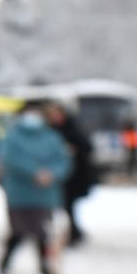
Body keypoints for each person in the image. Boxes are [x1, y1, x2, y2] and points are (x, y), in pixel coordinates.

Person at [0, 100, 73, 274]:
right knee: (18, 231)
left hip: (45, 195)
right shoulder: (12, 137)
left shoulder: (52, 137)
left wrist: (52, 173)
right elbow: (9, 159)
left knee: (44, 232)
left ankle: (44, 266)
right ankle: (5, 263)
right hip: (19, 193)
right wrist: (34, 173)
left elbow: (63, 161)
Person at [46, 100, 98, 245]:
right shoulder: (50, 130)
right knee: (63, 206)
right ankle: (71, 233)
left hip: (75, 176)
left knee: (69, 206)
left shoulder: (72, 128)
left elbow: (86, 147)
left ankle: (74, 233)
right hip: (59, 176)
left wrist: (72, 149)